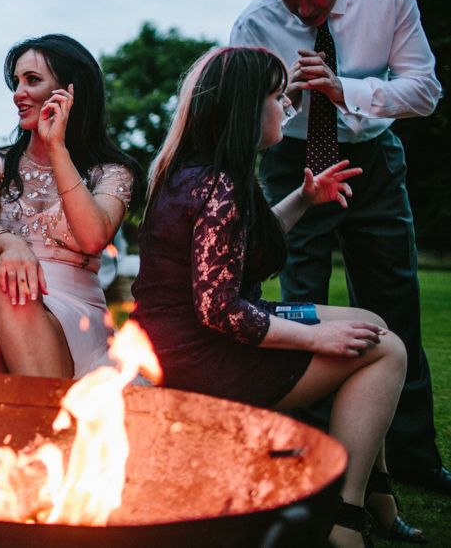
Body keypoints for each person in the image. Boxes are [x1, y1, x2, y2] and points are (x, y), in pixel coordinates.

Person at [132, 47, 423, 547]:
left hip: (193, 338)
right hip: (203, 357)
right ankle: (344, 519)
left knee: (370, 321)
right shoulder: (216, 185)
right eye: (278, 99)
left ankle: (376, 492)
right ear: (247, 108)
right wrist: (317, 338)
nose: (288, 110)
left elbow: (234, 255)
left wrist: (305, 199)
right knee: (385, 349)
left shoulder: (201, 172)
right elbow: (219, 309)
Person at [229, 0, 448, 497]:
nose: (303, 10)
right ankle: (310, 459)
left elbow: (424, 91)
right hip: (292, 165)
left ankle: (412, 459)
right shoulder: (254, 21)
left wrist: (343, 89)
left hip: (372, 160)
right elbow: (238, 121)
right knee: (298, 309)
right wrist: (288, 102)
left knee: (393, 305)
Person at [0, 34, 139, 379]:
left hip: (75, 311)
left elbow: (92, 239)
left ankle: (6, 430)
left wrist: (57, 148)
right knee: (6, 278)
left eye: (32, 80)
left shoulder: (113, 171)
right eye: (16, 81)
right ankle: (49, 426)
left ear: (70, 92)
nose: (18, 94)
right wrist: (10, 245)